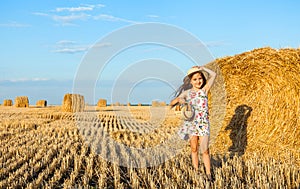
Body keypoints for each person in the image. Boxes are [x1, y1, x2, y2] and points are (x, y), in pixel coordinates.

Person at [170, 66, 216, 180]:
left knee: (205, 150)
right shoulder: (187, 93)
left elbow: (214, 75)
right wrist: (179, 100)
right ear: (191, 81)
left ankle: (208, 174)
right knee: (194, 149)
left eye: (200, 78)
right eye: (195, 79)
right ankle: (196, 171)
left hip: (203, 124)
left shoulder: (204, 90)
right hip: (191, 125)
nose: (198, 81)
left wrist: (203, 68)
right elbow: (172, 103)